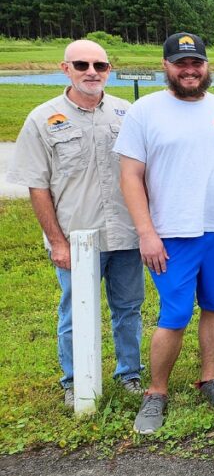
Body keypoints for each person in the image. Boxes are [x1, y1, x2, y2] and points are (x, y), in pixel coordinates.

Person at [115, 32, 214, 434]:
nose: (189, 69)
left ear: (206, 66)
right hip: (171, 234)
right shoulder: (144, 112)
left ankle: (210, 378)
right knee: (176, 313)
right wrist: (146, 233)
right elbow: (131, 177)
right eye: (180, 63)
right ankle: (156, 393)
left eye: (196, 62)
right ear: (166, 66)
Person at [7, 39, 143, 407]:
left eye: (99, 66)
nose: (91, 73)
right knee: (74, 309)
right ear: (65, 68)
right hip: (78, 238)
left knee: (129, 308)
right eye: (81, 65)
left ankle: (130, 373)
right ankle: (73, 381)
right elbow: (38, 186)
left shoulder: (126, 113)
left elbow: (143, 174)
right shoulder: (43, 119)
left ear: (108, 70)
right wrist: (58, 241)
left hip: (126, 234)